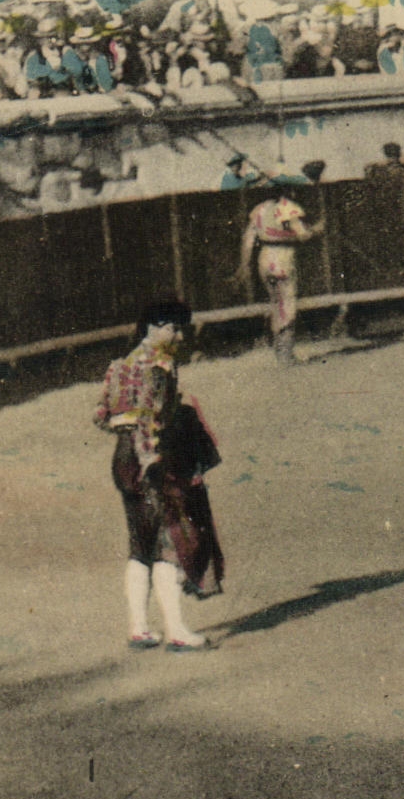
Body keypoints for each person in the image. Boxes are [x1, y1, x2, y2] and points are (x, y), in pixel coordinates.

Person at [94, 300, 223, 651]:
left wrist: (126, 433)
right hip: (151, 459)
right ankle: (177, 631)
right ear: (153, 327)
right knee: (169, 543)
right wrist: (152, 454)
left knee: (140, 544)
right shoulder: (161, 365)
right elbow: (150, 418)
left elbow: (100, 414)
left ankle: (139, 628)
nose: (180, 337)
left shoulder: (119, 365)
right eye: (174, 329)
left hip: (123, 458)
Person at [235, 165, 323, 366]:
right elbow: (303, 235)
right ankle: (285, 354)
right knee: (287, 302)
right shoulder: (288, 207)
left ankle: (279, 352)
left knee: (276, 302)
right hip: (283, 257)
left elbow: (248, 240)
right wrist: (317, 229)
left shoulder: (259, 209)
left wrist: (244, 265)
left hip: (265, 257)